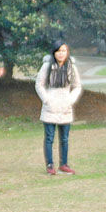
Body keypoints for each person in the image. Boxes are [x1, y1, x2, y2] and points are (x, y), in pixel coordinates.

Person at [35, 40, 82, 175]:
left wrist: (70, 100)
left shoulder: (71, 66)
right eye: (58, 51)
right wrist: (47, 99)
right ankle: (50, 165)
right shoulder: (47, 66)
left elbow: (77, 86)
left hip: (65, 106)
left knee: (64, 138)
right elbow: (39, 84)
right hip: (50, 107)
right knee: (49, 137)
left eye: (63, 51)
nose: (61, 54)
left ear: (67, 52)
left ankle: (64, 164)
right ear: (54, 52)